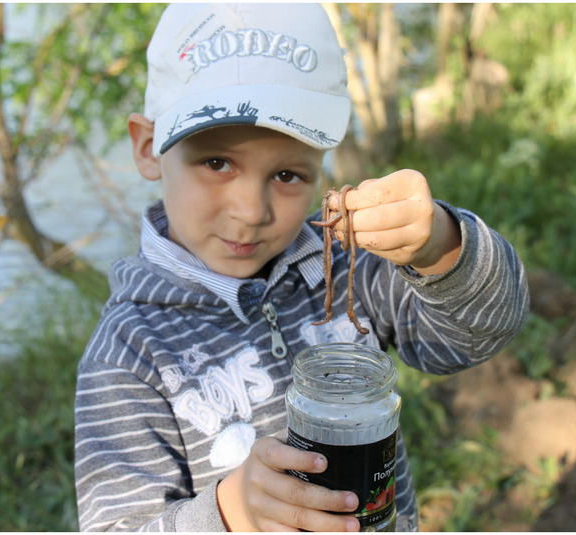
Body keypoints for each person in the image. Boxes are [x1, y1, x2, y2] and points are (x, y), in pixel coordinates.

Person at [74, 3, 529, 532]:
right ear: (149, 148)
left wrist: (440, 247)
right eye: (216, 162)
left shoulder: (347, 268)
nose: (251, 211)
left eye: (288, 173)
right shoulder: (127, 354)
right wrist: (230, 512)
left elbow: (480, 332)